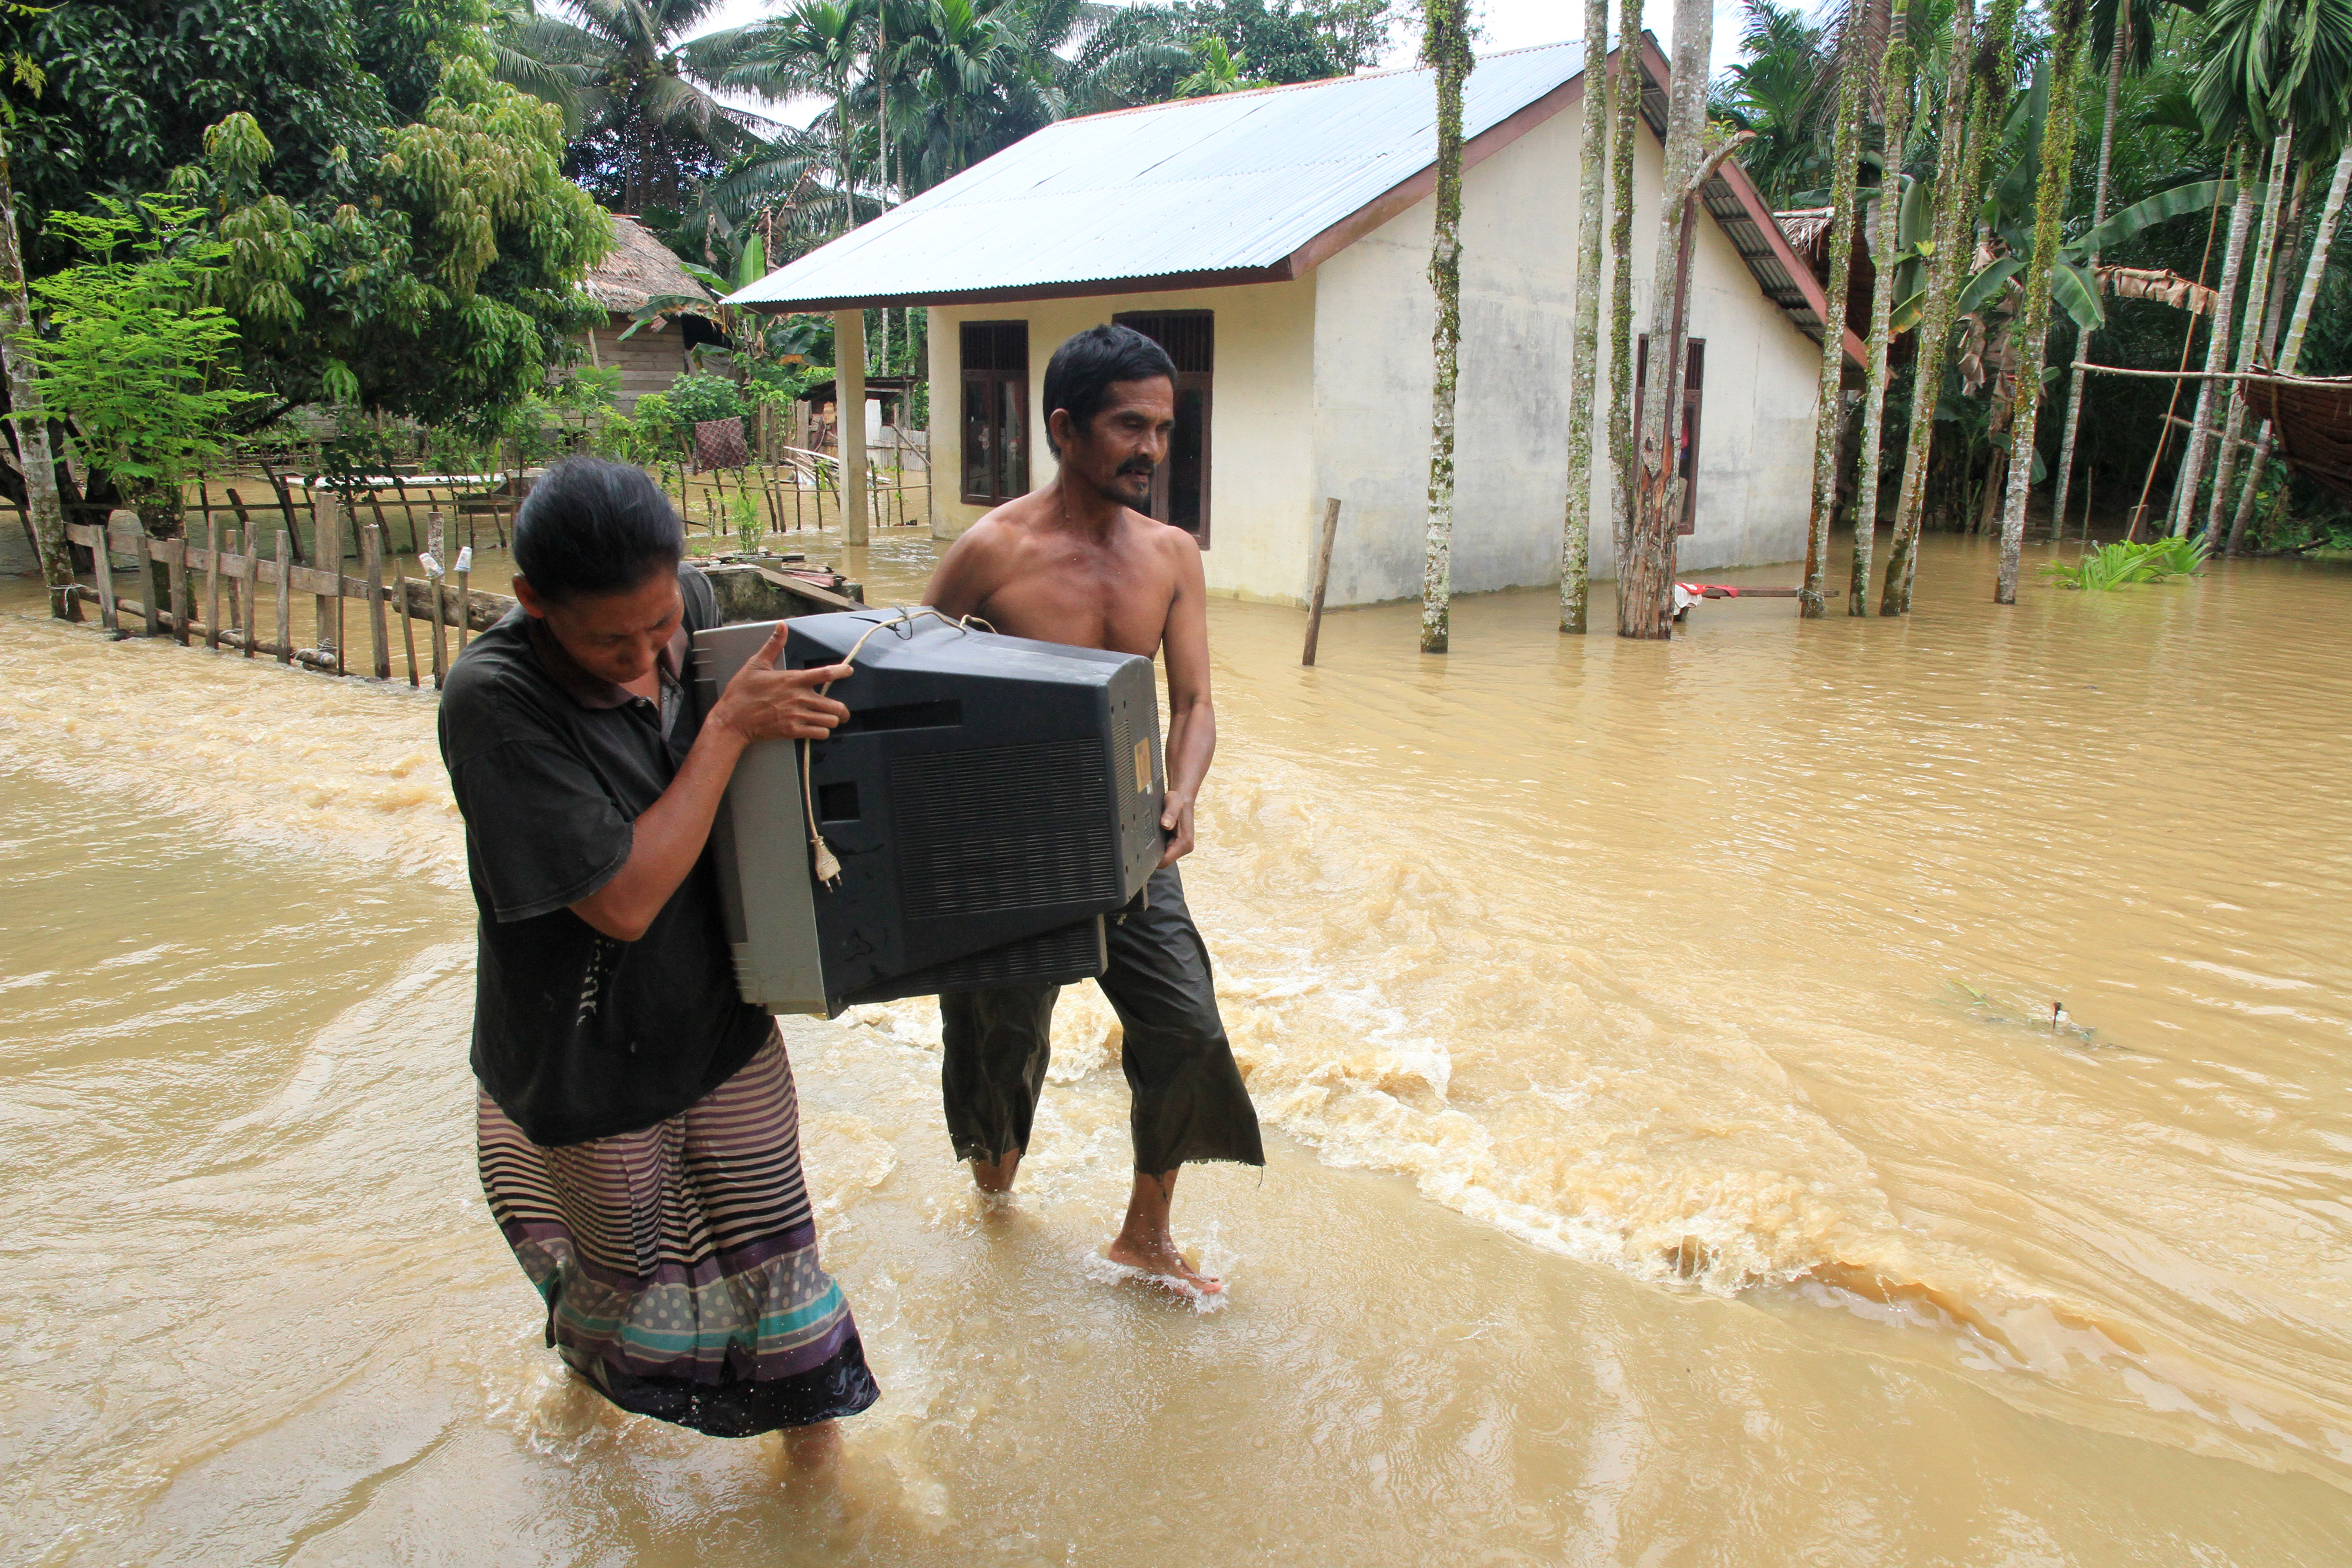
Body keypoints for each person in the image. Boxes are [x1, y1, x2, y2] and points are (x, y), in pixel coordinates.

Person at [438, 456, 876, 1455]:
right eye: (609, 639)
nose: (644, 654)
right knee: (619, 1288)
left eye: (659, 625)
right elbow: (626, 900)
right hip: (586, 1054)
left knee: (784, 1266)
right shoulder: (494, 702)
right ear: (532, 605)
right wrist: (725, 732)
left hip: (717, 1022)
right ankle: (587, 1420)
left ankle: (818, 1492)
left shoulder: (686, 604)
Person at [923, 323, 1265, 1296]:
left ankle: (1145, 1235)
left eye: (1164, 427)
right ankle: (996, 1207)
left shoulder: (1171, 556)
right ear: (1066, 429)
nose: (1153, 448)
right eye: (1130, 426)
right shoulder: (990, 554)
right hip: (1007, 848)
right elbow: (902, 690)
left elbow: (1195, 702)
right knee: (1000, 1043)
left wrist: (1183, 794)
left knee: (1188, 1027)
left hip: (1130, 842)